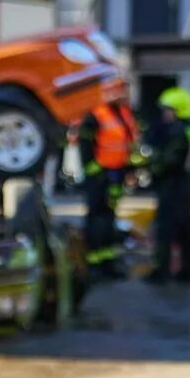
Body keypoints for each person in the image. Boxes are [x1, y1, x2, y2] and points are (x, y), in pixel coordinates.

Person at [145, 86, 190, 285]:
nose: (165, 114)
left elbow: (170, 160)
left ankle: (161, 271)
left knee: (165, 229)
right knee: (185, 228)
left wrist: (151, 165)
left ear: (179, 110)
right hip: (187, 185)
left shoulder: (177, 131)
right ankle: (187, 270)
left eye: (168, 110)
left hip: (174, 185)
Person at [74, 103, 134, 278]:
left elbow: (126, 143)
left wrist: (128, 170)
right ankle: (93, 264)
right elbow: (85, 147)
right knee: (96, 219)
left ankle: (108, 264)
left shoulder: (123, 112)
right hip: (99, 177)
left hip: (117, 175)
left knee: (109, 218)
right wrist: (97, 174)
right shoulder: (96, 115)